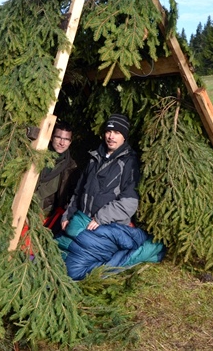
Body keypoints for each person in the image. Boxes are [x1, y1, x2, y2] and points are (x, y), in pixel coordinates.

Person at [58, 113, 164, 280]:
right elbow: (79, 192)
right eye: (109, 131)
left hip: (106, 226)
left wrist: (101, 218)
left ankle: (147, 252)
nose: (111, 136)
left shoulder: (129, 163)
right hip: (83, 221)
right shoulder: (94, 157)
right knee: (58, 248)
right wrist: (68, 214)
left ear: (124, 137)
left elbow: (129, 203)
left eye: (117, 133)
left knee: (73, 271)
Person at [35, 121, 78, 224]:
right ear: (51, 137)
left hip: (44, 215)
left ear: (70, 142)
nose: (62, 143)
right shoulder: (37, 154)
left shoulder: (71, 167)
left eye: (66, 139)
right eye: (58, 137)